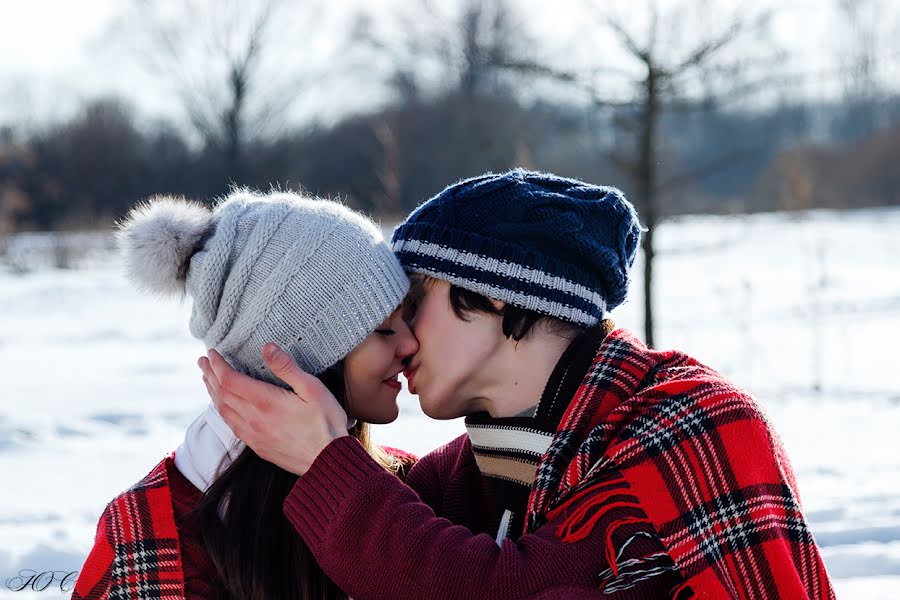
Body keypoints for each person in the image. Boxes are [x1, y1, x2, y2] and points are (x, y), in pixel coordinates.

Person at [202, 169, 836, 599]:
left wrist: (327, 464)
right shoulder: (488, 464)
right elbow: (372, 525)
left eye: (416, 299)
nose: (404, 336)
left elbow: (498, 586)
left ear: (498, 295)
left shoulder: (687, 430)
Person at [72, 189, 418, 600]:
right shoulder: (148, 538)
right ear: (294, 360)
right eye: (382, 329)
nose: (411, 344)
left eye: (407, 317)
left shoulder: (403, 487)